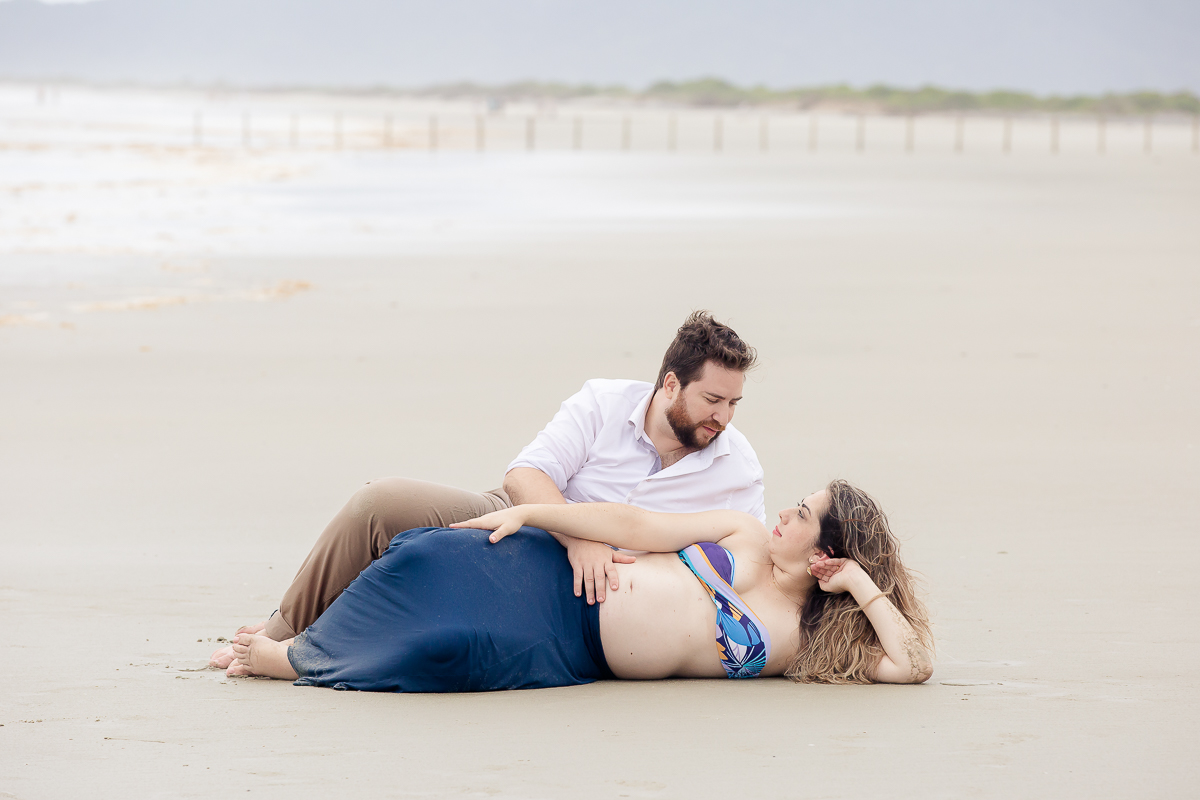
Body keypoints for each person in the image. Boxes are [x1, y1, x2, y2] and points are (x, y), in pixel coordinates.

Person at [211, 311, 765, 668]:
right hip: (524, 517)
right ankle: (279, 631)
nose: (723, 417)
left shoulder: (737, 467)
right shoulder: (604, 402)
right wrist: (577, 534)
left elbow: (746, 567)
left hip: (601, 593)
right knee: (380, 505)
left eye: (734, 403)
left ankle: (298, 654)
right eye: (713, 400)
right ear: (671, 383)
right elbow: (524, 476)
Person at [227, 480, 934, 689]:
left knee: (443, 647)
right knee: (424, 562)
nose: (786, 511)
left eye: (803, 513)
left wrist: (862, 585)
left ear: (828, 548)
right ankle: (288, 649)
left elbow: (911, 663)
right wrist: (536, 512)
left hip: (574, 650)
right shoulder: (740, 533)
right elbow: (633, 522)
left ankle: (296, 657)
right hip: (556, 581)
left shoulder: (802, 642)